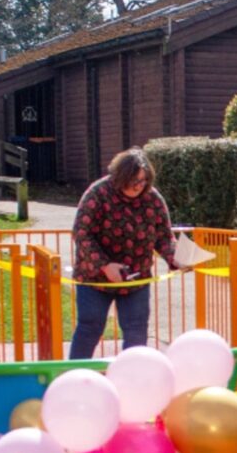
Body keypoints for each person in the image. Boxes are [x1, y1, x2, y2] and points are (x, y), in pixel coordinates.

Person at [69, 148, 182, 359]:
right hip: (95, 279)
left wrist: (176, 258)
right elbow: (82, 234)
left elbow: (164, 237)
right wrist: (105, 265)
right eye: (134, 180)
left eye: (143, 180)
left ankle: (133, 379)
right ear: (120, 176)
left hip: (135, 280)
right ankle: (73, 377)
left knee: (137, 331)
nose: (139, 186)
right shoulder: (98, 193)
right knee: (90, 328)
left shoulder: (153, 198)